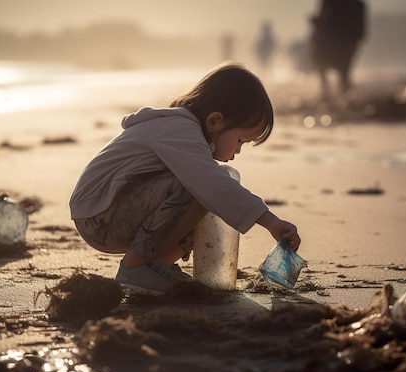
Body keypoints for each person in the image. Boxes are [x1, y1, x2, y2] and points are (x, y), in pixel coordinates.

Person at [69, 62, 301, 296]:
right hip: (98, 216)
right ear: (214, 121)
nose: (238, 150)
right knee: (200, 188)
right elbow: (212, 184)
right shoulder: (180, 129)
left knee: (208, 194)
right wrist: (270, 221)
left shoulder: (187, 135)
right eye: (241, 140)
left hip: (111, 211)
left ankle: (158, 265)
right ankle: (135, 267)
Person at [309, 0, 366, 100]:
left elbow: (323, 17)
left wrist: (314, 21)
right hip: (349, 44)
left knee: (321, 65)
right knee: (344, 72)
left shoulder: (330, 2)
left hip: (330, 43)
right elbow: (362, 30)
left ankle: (327, 93)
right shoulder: (358, 4)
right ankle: (347, 96)